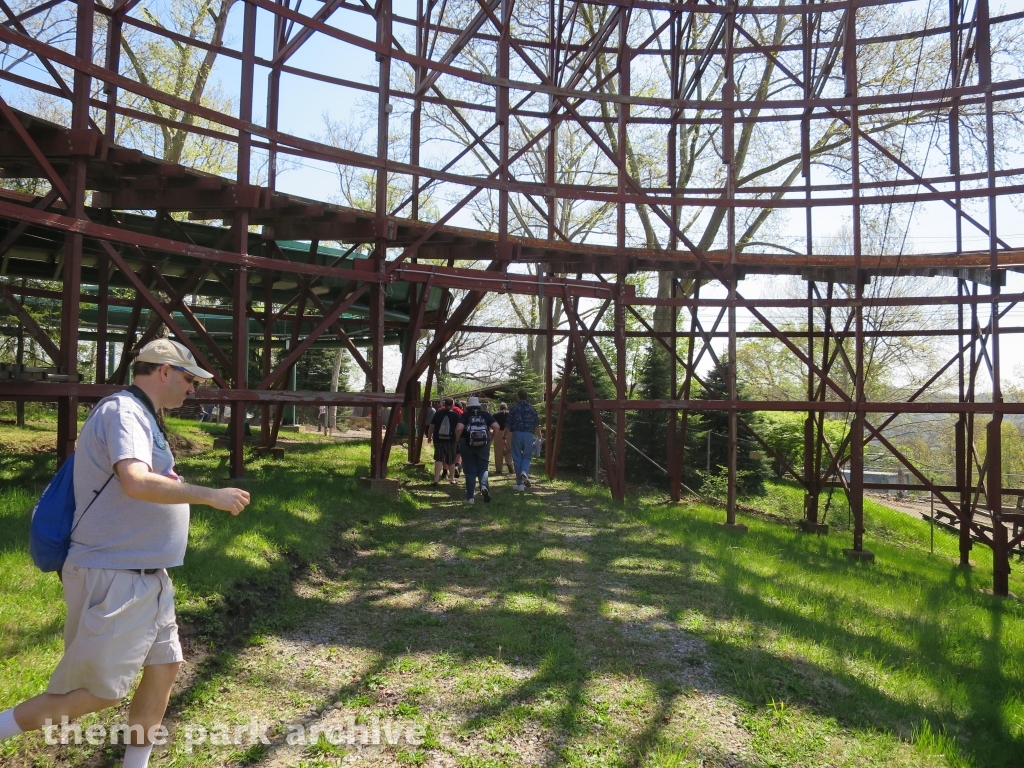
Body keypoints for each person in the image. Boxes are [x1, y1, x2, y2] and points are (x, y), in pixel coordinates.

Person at [0, 338, 250, 768]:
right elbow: (134, 481)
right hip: (115, 572)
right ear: (164, 372)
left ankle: (136, 764)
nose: (193, 389)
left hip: (147, 575)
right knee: (100, 692)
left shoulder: (143, 416)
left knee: (165, 667)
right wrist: (211, 495)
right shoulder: (124, 411)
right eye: (190, 379)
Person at [455, 396, 499, 504]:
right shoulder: (485, 415)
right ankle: (483, 486)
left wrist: (458, 439)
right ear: (478, 405)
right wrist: (491, 439)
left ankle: (470, 498)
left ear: (468, 406)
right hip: (484, 445)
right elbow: (497, 427)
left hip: (467, 444)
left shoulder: (465, 415)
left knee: (470, 471)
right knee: (483, 468)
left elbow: (459, 428)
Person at [507, 390, 541, 491]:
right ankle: (524, 472)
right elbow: (536, 426)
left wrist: (504, 437)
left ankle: (520, 484)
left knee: (517, 457)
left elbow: (508, 425)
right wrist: (540, 437)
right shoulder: (532, 409)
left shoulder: (514, 409)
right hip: (529, 435)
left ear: (518, 397)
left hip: (516, 434)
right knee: (527, 456)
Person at [426, 398, 460, 485]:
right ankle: (452, 479)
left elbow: (431, 426)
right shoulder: (455, 415)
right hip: (451, 440)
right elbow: (458, 428)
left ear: (444, 404)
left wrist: (429, 437)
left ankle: (436, 479)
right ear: (452, 405)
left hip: (439, 440)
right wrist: (457, 438)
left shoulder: (438, 413)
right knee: (451, 460)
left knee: (439, 459)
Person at [492, 402, 514, 475]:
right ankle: (509, 462)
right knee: (509, 450)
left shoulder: (495, 415)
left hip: (498, 432)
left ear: (500, 408)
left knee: (498, 451)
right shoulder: (511, 414)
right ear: (506, 407)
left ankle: (499, 469)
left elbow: (491, 425)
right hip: (509, 432)